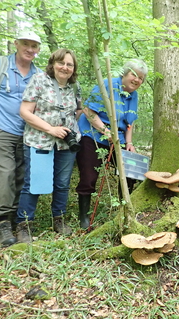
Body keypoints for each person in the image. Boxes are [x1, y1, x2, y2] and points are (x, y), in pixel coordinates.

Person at [0, 31, 42, 246]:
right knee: (2, 174)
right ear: (16, 44)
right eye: (26, 44)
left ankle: (17, 217)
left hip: (27, 132)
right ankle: (3, 223)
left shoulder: (39, 74)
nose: (30, 49)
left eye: (34, 46)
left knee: (22, 175)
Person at [14, 49, 82, 242]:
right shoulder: (39, 80)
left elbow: (77, 111)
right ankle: (24, 224)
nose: (65, 67)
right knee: (34, 183)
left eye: (70, 64)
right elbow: (25, 112)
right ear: (53, 63)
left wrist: (67, 130)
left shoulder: (74, 87)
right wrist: (51, 129)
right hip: (39, 140)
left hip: (66, 144)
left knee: (62, 183)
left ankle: (58, 219)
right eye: (61, 63)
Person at [76, 59, 148, 228]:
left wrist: (129, 142)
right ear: (124, 73)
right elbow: (88, 110)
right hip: (93, 134)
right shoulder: (108, 85)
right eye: (134, 75)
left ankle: (124, 209)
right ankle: (84, 218)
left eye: (141, 78)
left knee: (130, 171)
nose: (137, 80)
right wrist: (105, 131)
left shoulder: (133, 95)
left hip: (118, 139)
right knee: (89, 175)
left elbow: (130, 120)